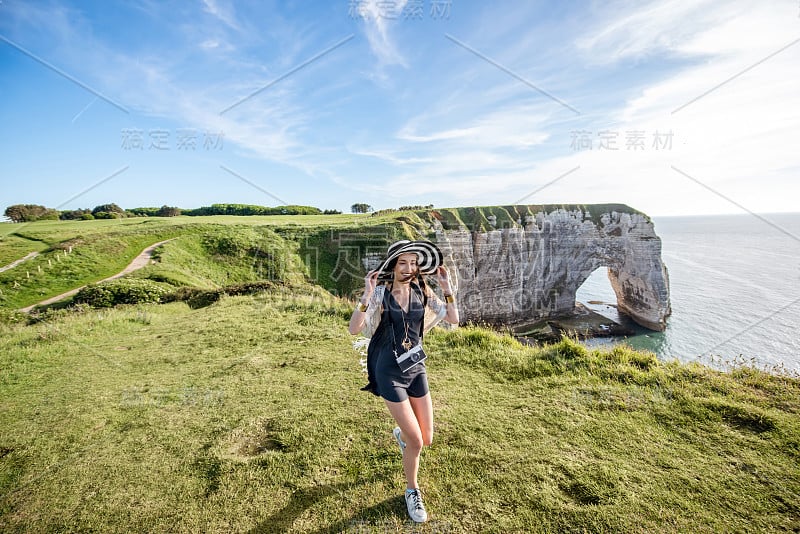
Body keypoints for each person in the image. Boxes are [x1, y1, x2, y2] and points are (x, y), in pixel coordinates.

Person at [348, 240, 459, 523]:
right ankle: (412, 490)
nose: (409, 268)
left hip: (416, 366)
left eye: (413, 263)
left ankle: (403, 436)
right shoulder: (381, 293)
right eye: (403, 263)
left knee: (427, 438)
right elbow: (354, 328)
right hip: (389, 370)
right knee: (418, 442)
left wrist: (446, 288)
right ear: (392, 266)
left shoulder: (424, 291)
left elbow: (454, 319)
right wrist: (367, 293)